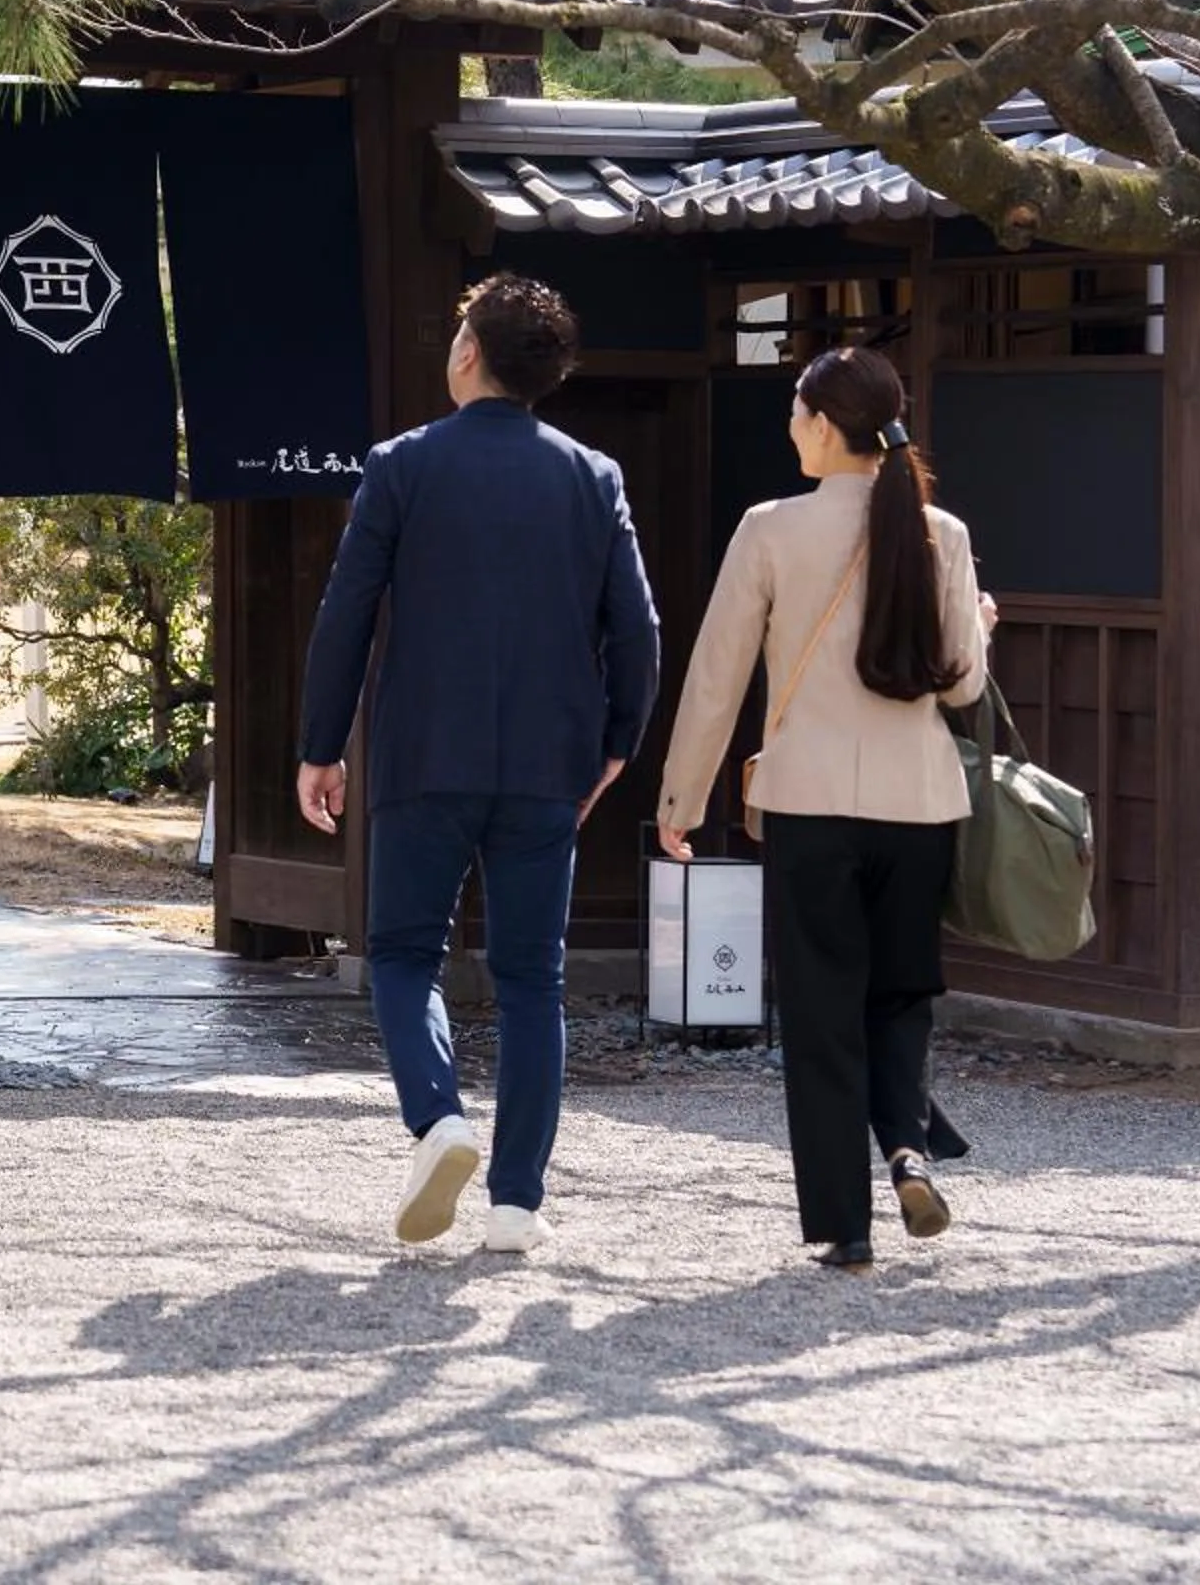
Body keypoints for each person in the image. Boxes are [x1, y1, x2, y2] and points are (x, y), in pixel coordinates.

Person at [295, 274, 659, 1257]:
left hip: (424, 750)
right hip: (550, 761)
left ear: (467, 354)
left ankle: (438, 1117)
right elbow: (637, 628)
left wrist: (321, 746)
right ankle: (514, 1205)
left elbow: (345, 614)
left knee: (404, 953)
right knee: (533, 977)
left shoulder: (402, 465)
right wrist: (617, 742)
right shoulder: (593, 477)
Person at [652, 347, 997, 1274]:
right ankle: (909, 1152)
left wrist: (683, 796)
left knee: (822, 1011)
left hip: (808, 807)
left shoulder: (770, 529)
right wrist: (980, 628)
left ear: (825, 424)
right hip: (919, 805)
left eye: (796, 412)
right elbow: (963, 684)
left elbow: (717, 675)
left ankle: (845, 1227)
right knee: (901, 995)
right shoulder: (942, 533)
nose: (790, 427)